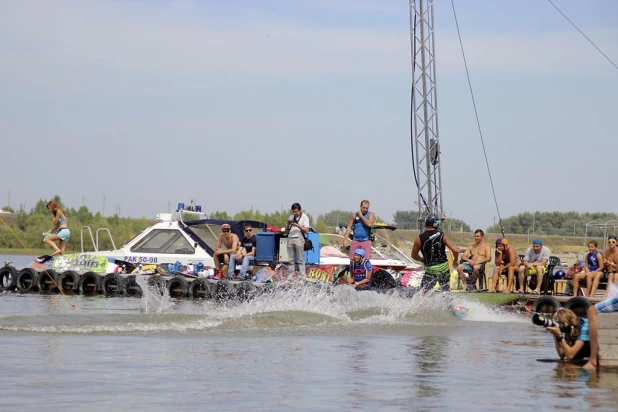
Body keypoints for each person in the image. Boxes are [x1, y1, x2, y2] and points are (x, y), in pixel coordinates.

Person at [411, 213, 459, 293]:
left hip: (431, 270)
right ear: (436, 224)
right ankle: (448, 303)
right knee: (446, 291)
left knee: (423, 293)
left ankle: (423, 304)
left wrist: (422, 260)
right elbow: (456, 250)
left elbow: (414, 255)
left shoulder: (419, 238)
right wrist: (455, 260)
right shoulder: (441, 235)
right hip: (444, 269)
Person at [284, 203, 310, 278]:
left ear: (300, 210)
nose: (294, 213)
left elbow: (307, 230)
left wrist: (297, 225)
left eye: (296, 211)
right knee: (290, 260)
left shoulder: (305, 217)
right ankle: (290, 277)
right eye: (293, 212)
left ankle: (302, 277)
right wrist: (288, 226)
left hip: (299, 238)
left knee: (300, 259)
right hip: (290, 238)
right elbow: (286, 231)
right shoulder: (291, 217)